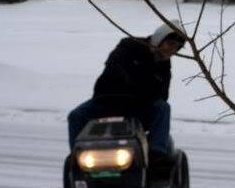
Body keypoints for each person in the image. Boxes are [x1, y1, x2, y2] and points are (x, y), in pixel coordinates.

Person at [67, 20, 186, 161]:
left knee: (162, 108)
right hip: (107, 101)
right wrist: (136, 82)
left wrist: (145, 92)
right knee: (76, 116)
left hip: (136, 108)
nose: (172, 51)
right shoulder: (130, 45)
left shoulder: (164, 66)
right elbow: (114, 64)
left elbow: (162, 95)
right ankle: (77, 158)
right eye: (170, 44)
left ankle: (156, 155)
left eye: (176, 48)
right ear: (160, 39)